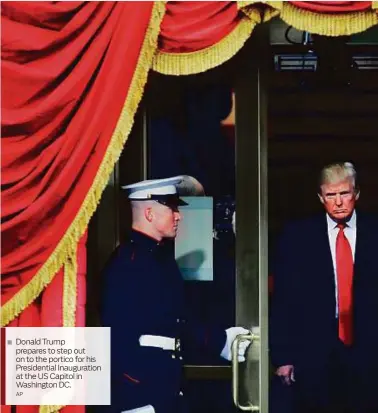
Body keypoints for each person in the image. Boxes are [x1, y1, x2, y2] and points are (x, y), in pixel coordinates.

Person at [101, 176, 250, 413]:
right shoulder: (127, 263)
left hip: (165, 390)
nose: (178, 215)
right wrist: (135, 401)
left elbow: (175, 320)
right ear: (149, 213)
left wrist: (218, 340)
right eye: (171, 207)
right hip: (141, 396)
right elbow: (117, 337)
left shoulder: (161, 259)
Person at [269, 162, 378, 413]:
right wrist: (283, 356)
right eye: (331, 195)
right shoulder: (298, 236)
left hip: (369, 351)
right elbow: (284, 299)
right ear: (321, 197)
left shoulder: (374, 232)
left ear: (356, 194)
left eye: (344, 193)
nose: (338, 202)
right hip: (314, 353)